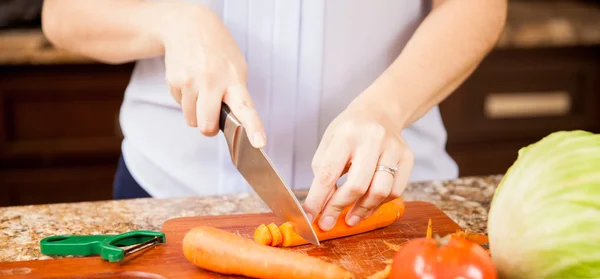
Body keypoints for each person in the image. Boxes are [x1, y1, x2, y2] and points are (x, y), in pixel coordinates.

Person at [41, 0, 507, 231]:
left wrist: (387, 107)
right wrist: (173, 18)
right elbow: (63, 13)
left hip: (381, 200)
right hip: (166, 198)